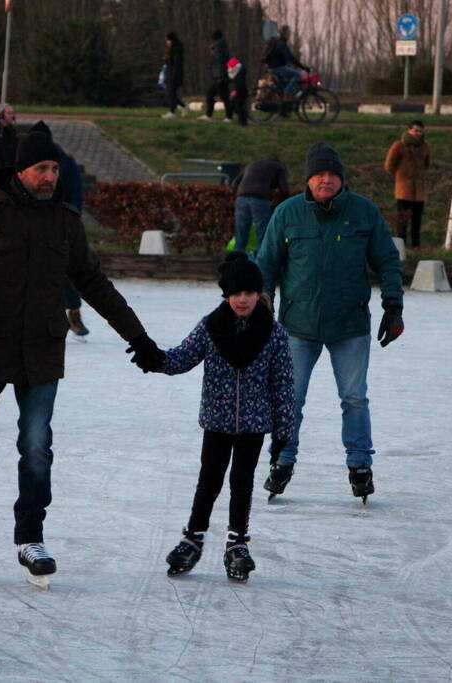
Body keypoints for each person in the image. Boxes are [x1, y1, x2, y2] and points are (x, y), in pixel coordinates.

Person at [0, 132, 164, 585]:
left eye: (55, 169)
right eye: (43, 169)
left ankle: (31, 538)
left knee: (36, 450)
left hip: (42, 353)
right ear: (22, 172)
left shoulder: (64, 221)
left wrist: (139, 337)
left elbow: (93, 282)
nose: (51, 177)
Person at [257, 142, 403, 504]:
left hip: (349, 324)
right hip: (298, 325)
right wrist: (262, 310)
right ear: (308, 178)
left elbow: (387, 260)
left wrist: (393, 306)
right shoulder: (288, 213)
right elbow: (267, 264)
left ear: (341, 179)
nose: (325, 180)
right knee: (290, 399)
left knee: (354, 398)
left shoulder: (363, 211)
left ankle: (359, 466)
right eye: (319, 174)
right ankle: (282, 460)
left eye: (332, 174)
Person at [151, 252, 294, 581]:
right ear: (226, 295)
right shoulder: (211, 327)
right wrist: (153, 356)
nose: (243, 299)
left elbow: (284, 385)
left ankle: (237, 542)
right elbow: (181, 358)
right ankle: (193, 537)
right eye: (236, 293)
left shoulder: (274, 334)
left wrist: (284, 431)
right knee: (209, 481)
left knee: (241, 483)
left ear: (260, 294)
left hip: (254, 425)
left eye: (249, 293)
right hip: (216, 421)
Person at [28, 120, 90, 340]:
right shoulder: (24, 165)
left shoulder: (64, 162)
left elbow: (75, 194)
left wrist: (70, 220)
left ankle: (73, 311)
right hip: (31, 226)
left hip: (59, 224)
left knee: (66, 269)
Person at [384, 120, 431, 248]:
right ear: (409, 130)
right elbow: (389, 164)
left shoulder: (425, 147)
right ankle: (401, 246)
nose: (418, 134)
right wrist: (400, 177)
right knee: (402, 221)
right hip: (403, 190)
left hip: (419, 191)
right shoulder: (399, 146)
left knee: (417, 221)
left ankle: (416, 246)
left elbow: (427, 164)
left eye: (420, 131)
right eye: (415, 131)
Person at [231, 155, 288, 253]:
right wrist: (282, 203)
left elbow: (234, 183)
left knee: (241, 230)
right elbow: (285, 190)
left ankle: (237, 258)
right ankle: (262, 258)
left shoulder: (252, 164)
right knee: (262, 231)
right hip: (260, 199)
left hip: (241, 197)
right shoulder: (278, 167)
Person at [261, 24, 310, 95]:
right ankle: (286, 94)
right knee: (297, 75)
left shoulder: (277, 41)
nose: (290, 34)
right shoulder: (281, 43)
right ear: (286, 33)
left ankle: (282, 100)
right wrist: (303, 67)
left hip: (272, 67)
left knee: (284, 83)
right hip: (277, 67)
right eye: (289, 32)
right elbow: (290, 57)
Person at [199, 29, 232, 123]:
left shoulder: (218, 49)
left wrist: (219, 76)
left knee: (218, 96)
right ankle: (225, 116)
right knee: (220, 96)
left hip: (220, 77)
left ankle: (226, 116)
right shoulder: (222, 47)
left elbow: (220, 63)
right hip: (221, 76)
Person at [161, 32, 186, 120]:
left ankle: (172, 112)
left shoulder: (176, 49)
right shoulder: (173, 48)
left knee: (171, 92)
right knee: (171, 93)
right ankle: (183, 106)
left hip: (174, 74)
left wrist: (167, 60)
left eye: (168, 40)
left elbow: (176, 64)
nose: (167, 42)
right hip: (171, 73)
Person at [226, 57, 249, 126]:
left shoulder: (239, 73)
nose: (229, 69)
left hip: (240, 92)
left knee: (238, 107)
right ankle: (242, 121)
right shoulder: (237, 72)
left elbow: (240, 84)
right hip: (239, 91)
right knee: (236, 107)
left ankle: (243, 123)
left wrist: (235, 91)